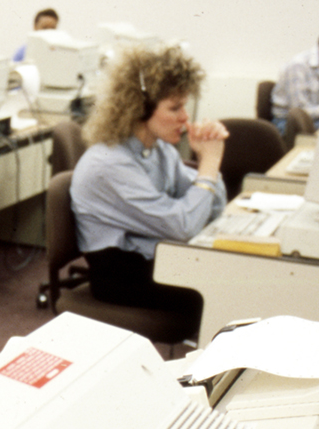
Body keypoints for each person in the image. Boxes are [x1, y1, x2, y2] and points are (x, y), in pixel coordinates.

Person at [69, 45, 227, 328]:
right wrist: (209, 163)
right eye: (175, 108)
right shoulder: (109, 165)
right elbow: (184, 225)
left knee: (237, 276)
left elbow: (212, 209)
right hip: (120, 275)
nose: (185, 118)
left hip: (154, 258)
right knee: (224, 291)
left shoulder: (158, 149)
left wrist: (208, 165)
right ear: (140, 107)